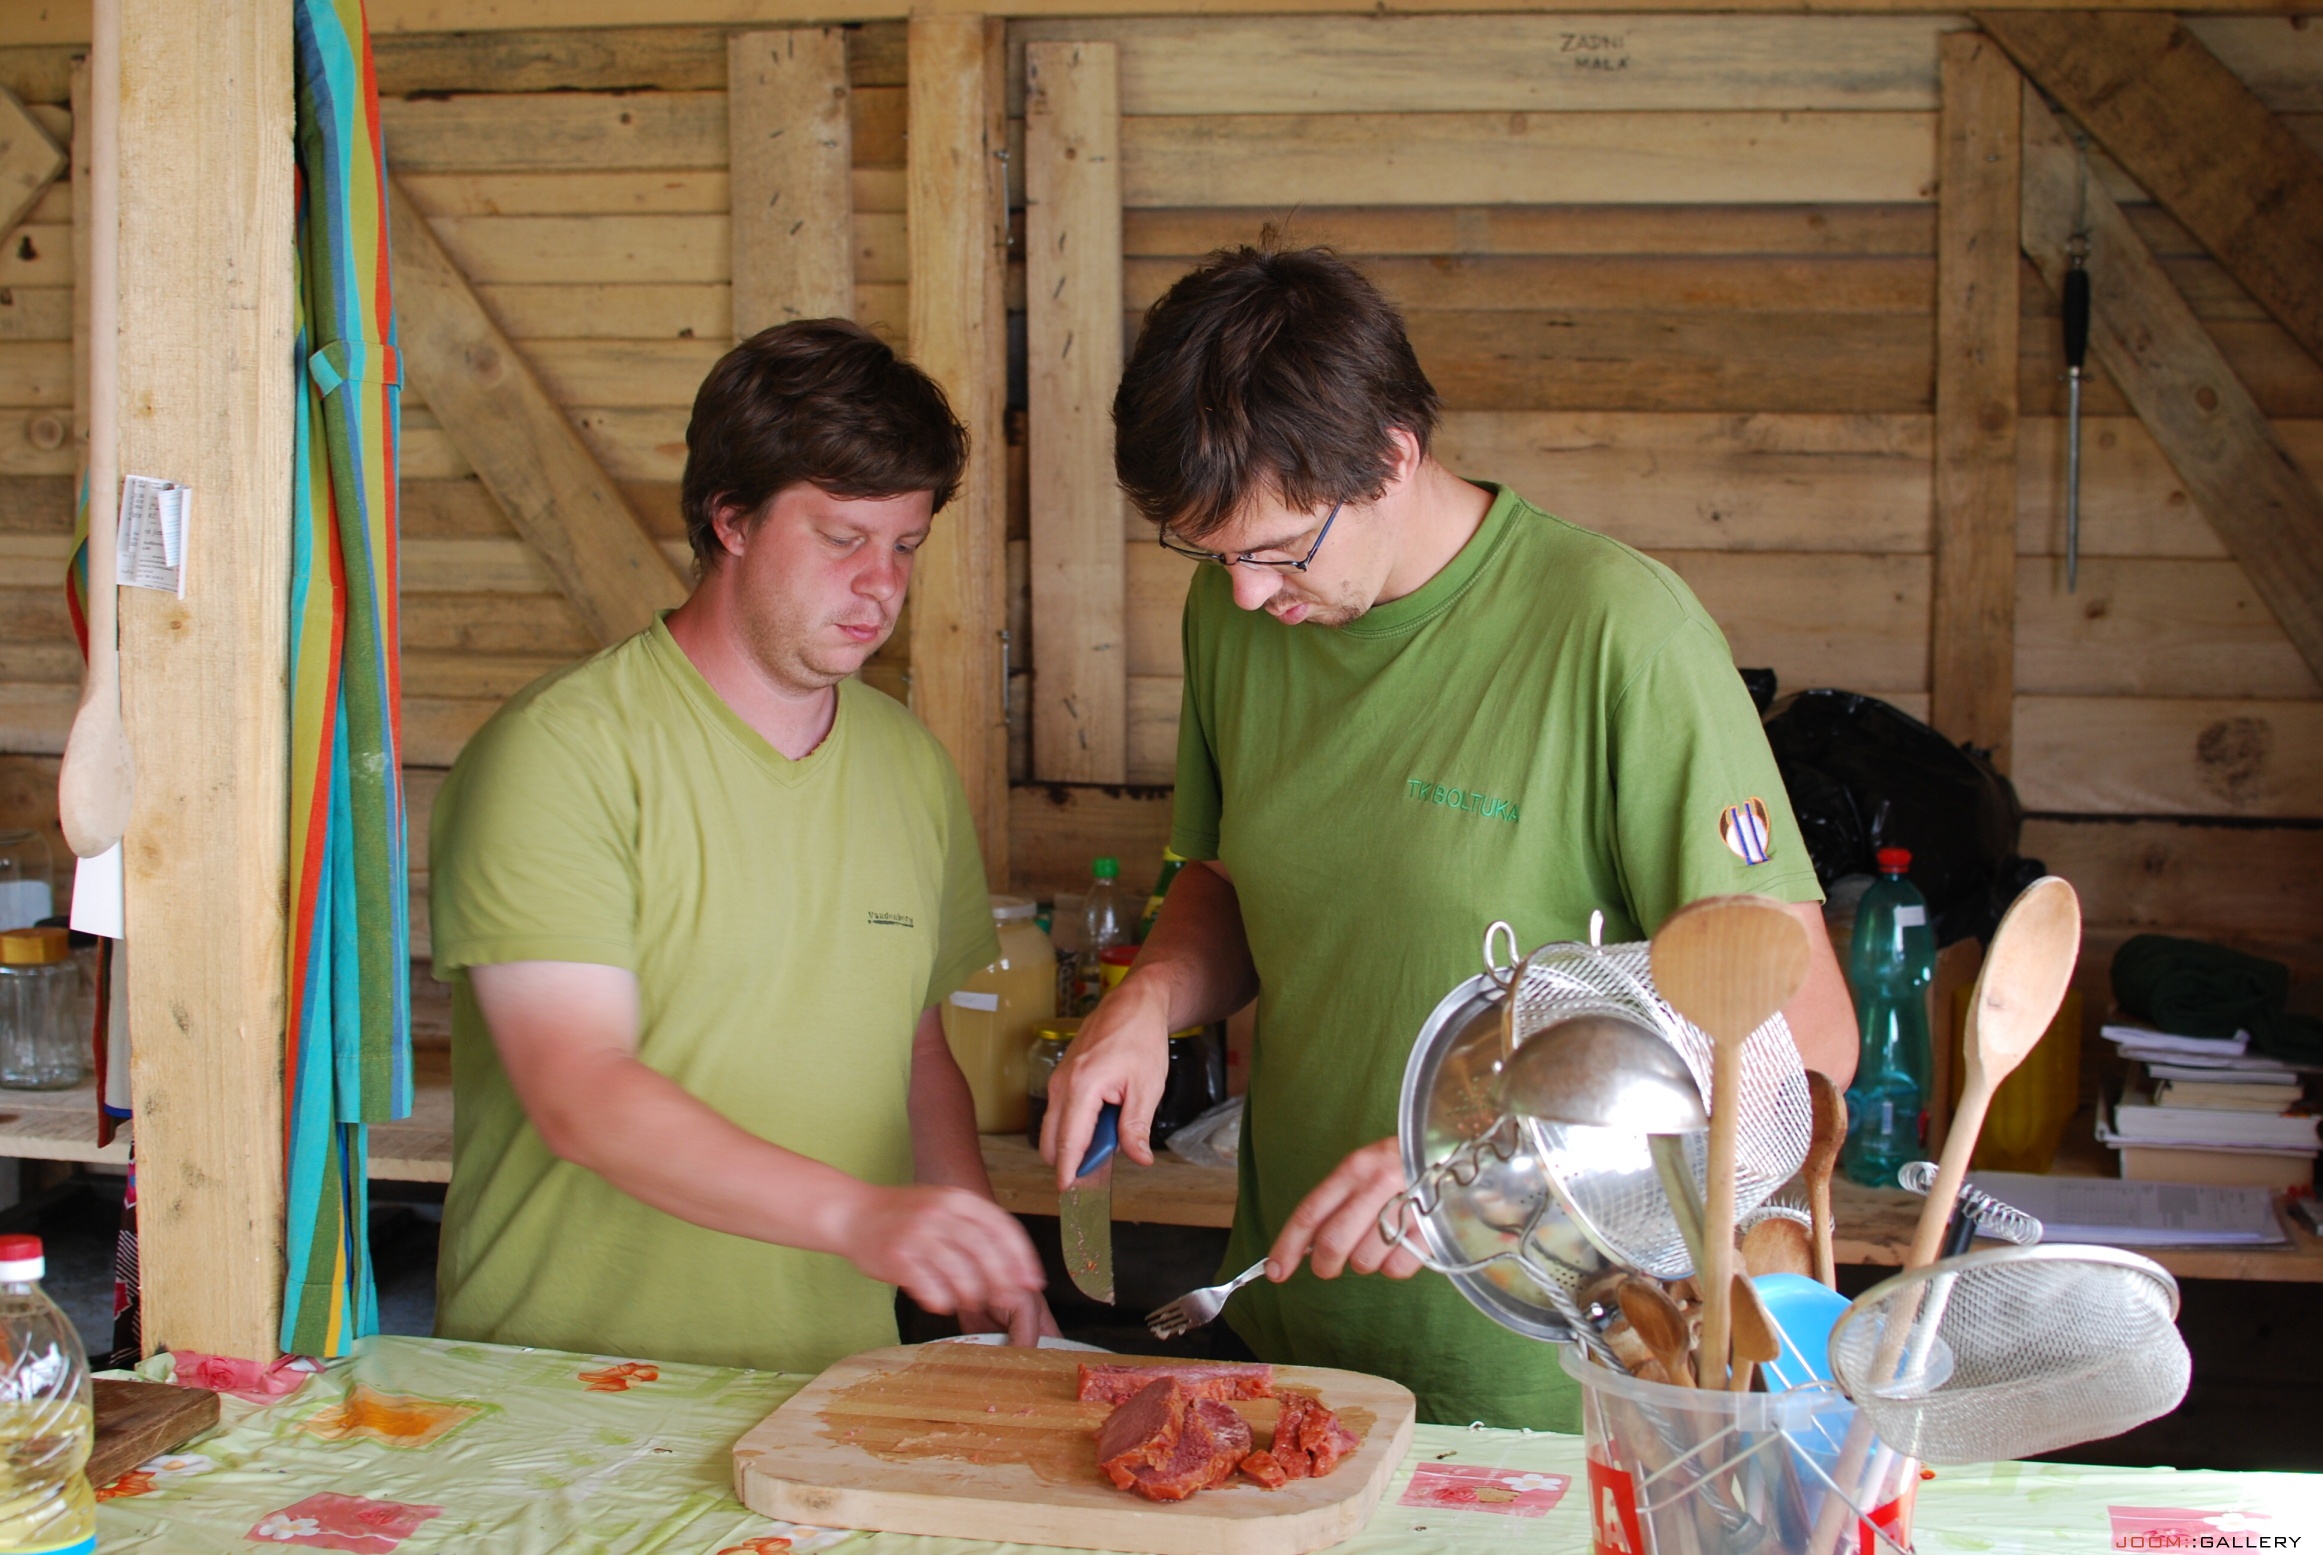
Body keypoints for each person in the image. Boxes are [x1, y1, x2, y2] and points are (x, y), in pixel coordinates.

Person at [1042, 246, 1856, 1430]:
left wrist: (1474, 1173)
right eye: (1212, 555)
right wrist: (1150, 995)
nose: (1246, 595)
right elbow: (1231, 876)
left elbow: (1803, 1039)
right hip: (1288, 1343)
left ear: (1390, 457)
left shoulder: (1619, 633)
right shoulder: (1238, 613)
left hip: (1558, 1380)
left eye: (1276, 549)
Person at [429, 319, 1053, 1373]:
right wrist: (859, 1216)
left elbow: (914, 1055)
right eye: (842, 538)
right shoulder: (559, 753)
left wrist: (977, 1251)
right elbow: (579, 1089)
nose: (882, 584)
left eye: (905, 544)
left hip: (827, 1382)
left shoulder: (909, 765)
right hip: (563, 1389)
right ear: (731, 520)